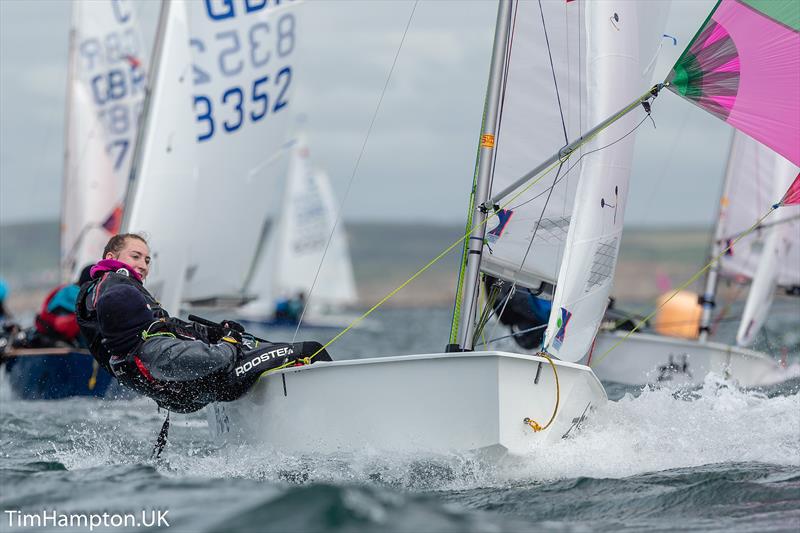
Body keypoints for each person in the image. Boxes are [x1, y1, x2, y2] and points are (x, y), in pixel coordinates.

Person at [77, 233, 331, 413]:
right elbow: (207, 356)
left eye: (147, 260)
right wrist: (229, 342)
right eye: (135, 256)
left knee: (261, 351)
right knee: (311, 349)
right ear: (111, 257)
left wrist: (213, 333)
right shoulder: (116, 287)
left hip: (189, 390)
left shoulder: (99, 297)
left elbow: (166, 326)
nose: (143, 265)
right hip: (213, 377)